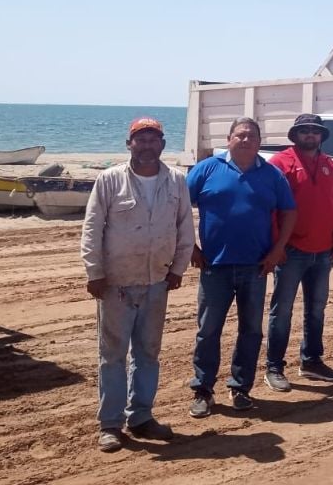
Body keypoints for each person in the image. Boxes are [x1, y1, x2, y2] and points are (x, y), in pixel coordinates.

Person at [81, 117, 195, 452]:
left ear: (162, 144)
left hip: (156, 282)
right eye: (140, 139)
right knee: (112, 354)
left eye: (153, 139)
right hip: (115, 282)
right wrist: (94, 272)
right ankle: (111, 424)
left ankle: (141, 417)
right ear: (129, 144)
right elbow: (92, 229)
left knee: (148, 353)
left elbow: (185, 227)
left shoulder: (176, 181)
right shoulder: (109, 180)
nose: (147, 145)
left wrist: (178, 268)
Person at [186, 117, 296, 416]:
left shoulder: (272, 175)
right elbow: (179, 207)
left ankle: (240, 387)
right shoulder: (207, 169)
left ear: (259, 142)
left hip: (256, 268)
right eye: (240, 135)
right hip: (214, 267)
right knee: (208, 331)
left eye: (251, 136)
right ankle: (203, 390)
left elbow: (289, 212)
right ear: (229, 138)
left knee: (251, 331)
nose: (245, 140)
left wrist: (277, 251)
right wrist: (191, 248)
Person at [263, 114, 333, 392]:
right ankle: (274, 367)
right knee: (282, 311)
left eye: (315, 131)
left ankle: (311, 360)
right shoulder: (280, 163)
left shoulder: (328, 164)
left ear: (321, 136)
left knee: (317, 310)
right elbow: (271, 210)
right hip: (291, 252)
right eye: (305, 131)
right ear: (295, 134)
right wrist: (277, 246)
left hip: (322, 252)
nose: (310, 135)